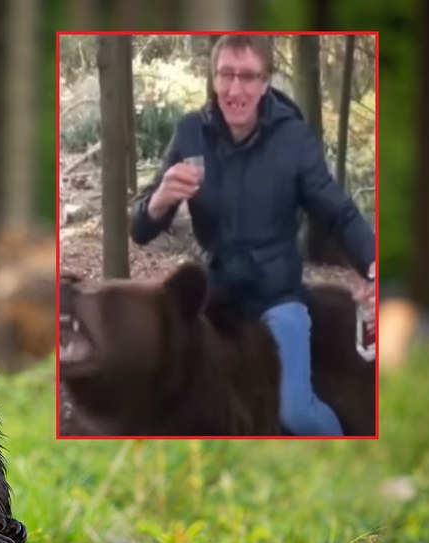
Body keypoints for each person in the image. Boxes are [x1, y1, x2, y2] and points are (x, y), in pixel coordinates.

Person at [130, 34, 376, 436]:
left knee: (294, 413)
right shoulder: (191, 133)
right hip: (216, 299)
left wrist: (371, 261)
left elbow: (339, 211)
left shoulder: (293, 140)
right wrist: (158, 201)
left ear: (266, 82)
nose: (235, 89)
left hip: (278, 297)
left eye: (247, 76)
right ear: (213, 79)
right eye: (226, 74)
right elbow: (141, 229)